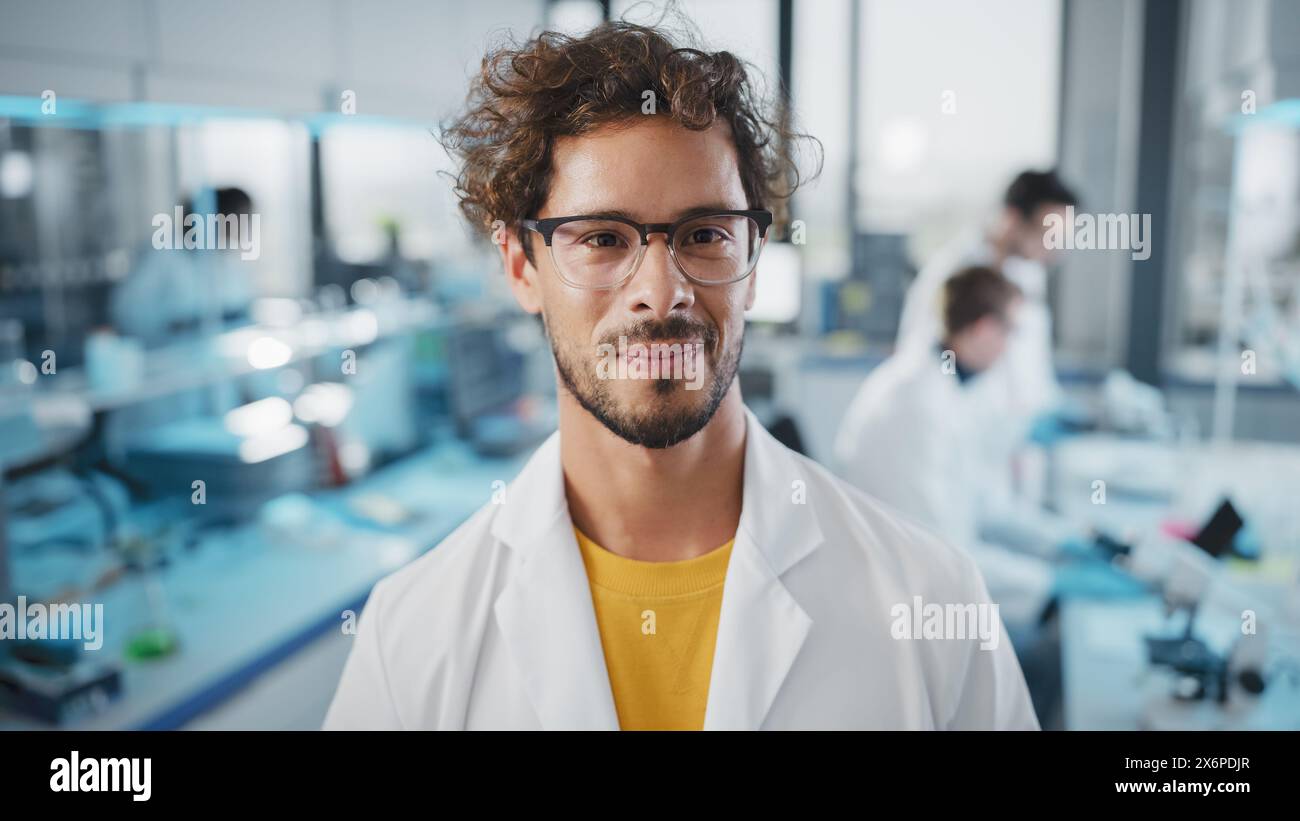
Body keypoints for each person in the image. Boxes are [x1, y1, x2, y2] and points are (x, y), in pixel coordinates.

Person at [324, 21, 1037, 731]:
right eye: (603, 238)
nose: (661, 293)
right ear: (521, 267)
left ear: (753, 258)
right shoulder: (410, 641)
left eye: (704, 234)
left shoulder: (933, 601)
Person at [111, 187, 255, 346]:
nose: (242, 229)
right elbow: (128, 312)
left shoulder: (228, 259)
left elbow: (239, 309)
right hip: (166, 355)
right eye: (239, 218)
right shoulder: (162, 251)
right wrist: (178, 328)